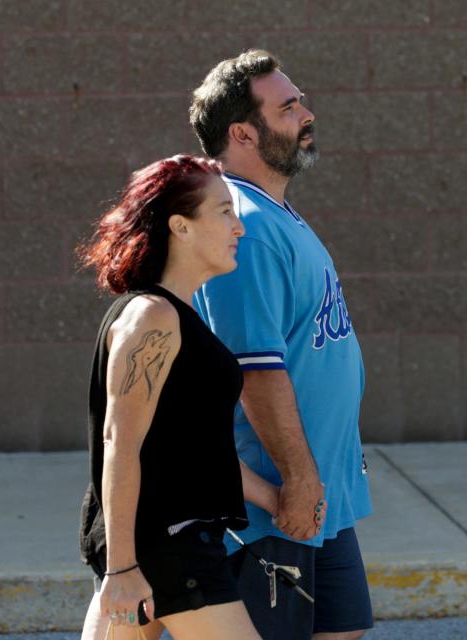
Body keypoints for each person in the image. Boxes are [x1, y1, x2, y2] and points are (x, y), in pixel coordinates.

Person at [189, 50, 374, 640]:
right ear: (243, 133)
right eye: (289, 107)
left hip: (320, 498)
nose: (307, 115)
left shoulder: (277, 215)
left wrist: (315, 484)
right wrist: (297, 482)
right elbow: (254, 372)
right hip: (274, 508)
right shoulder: (244, 227)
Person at [77, 154, 288, 640]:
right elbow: (119, 444)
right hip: (167, 549)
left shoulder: (179, 317)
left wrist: (274, 498)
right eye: (224, 212)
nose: (239, 227)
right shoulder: (153, 317)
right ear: (181, 227)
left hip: (160, 547)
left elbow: (195, 449)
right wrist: (122, 569)